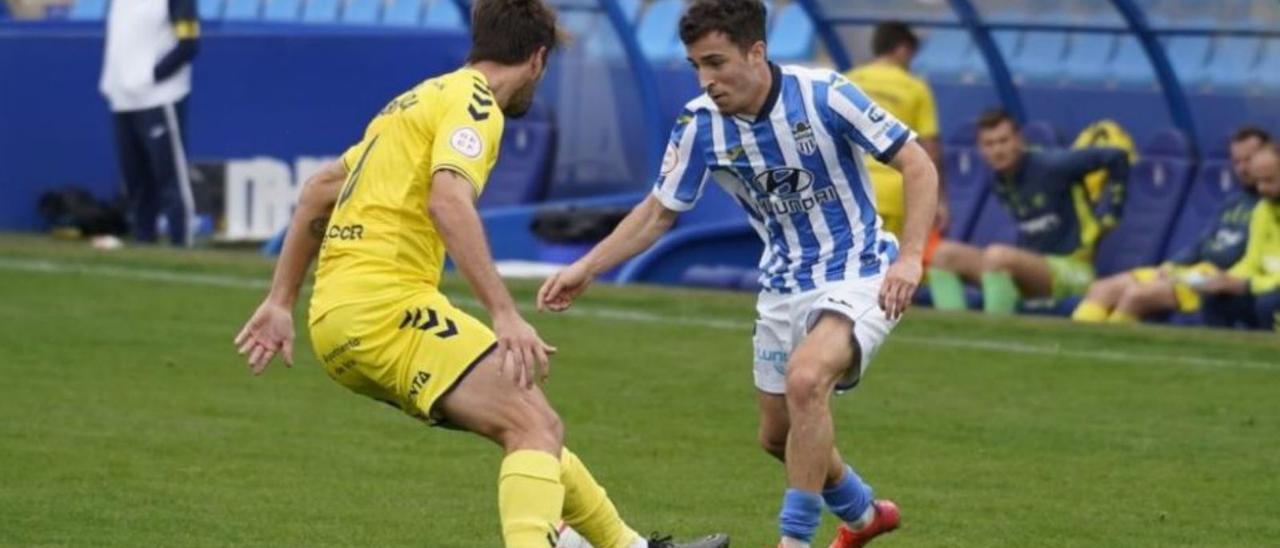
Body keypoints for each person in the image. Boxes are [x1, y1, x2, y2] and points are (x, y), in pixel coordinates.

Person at [232, 2, 727, 547]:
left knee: (534, 426)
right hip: (385, 309)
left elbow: (317, 193)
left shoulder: (413, 101)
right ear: (537, 59)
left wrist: (281, 301)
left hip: (337, 320)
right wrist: (504, 312)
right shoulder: (476, 104)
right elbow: (449, 202)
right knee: (533, 429)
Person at [537, 1, 940, 546]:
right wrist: (585, 267)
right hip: (781, 285)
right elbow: (660, 210)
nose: (707, 80)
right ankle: (865, 516)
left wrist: (911, 258)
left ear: (757, 52)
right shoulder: (700, 125)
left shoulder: (825, 95)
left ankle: (793, 540)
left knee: (806, 380)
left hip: (858, 269)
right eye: (697, 66)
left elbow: (916, 162)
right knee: (778, 437)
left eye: (716, 63)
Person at [927, 109, 1130, 314]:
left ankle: (994, 331)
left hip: (1073, 270)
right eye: (989, 144)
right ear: (980, 150)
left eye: (1003, 141)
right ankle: (957, 330)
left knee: (997, 256)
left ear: (1019, 140)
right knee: (942, 254)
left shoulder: (1050, 165)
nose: (998, 150)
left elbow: (1117, 157)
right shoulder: (998, 179)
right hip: (1032, 269)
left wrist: (1113, 213)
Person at [1072, 127, 1271, 323]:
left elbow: (1252, 258)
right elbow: (1202, 244)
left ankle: (1109, 347)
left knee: (1137, 295)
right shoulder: (1232, 202)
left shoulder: (1269, 206)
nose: (1243, 168)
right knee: (1103, 288)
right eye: (1236, 161)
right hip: (1192, 271)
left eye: (1249, 160)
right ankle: (1075, 345)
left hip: (1219, 278)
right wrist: (1170, 267)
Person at [99, 0, 200, 247]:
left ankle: (181, 241)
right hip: (122, 99)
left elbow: (188, 44)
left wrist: (150, 75)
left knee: (169, 176)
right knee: (136, 179)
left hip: (160, 98)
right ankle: (143, 240)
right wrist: (113, 81)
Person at [845, 22, 947, 248]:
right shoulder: (915, 88)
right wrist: (938, 200)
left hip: (851, 189)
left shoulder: (847, 81)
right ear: (902, 49)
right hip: (896, 192)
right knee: (892, 269)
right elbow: (930, 148)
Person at [1197, 143, 1280, 331]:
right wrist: (1226, 278)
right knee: (1215, 298)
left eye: (1269, 181)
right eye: (1258, 181)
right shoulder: (1262, 211)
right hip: (1264, 287)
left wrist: (1248, 285)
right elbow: (1251, 261)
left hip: (1271, 292)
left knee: (1268, 304)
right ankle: (1224, 356)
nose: (1262, 189)